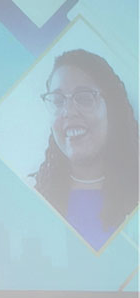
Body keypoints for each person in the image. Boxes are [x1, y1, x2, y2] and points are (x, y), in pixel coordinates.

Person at [33, 48, 139, 251]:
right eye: (57, 100)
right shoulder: (37, 198)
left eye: (84, 98)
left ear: (112, 108)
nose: (68, 111)